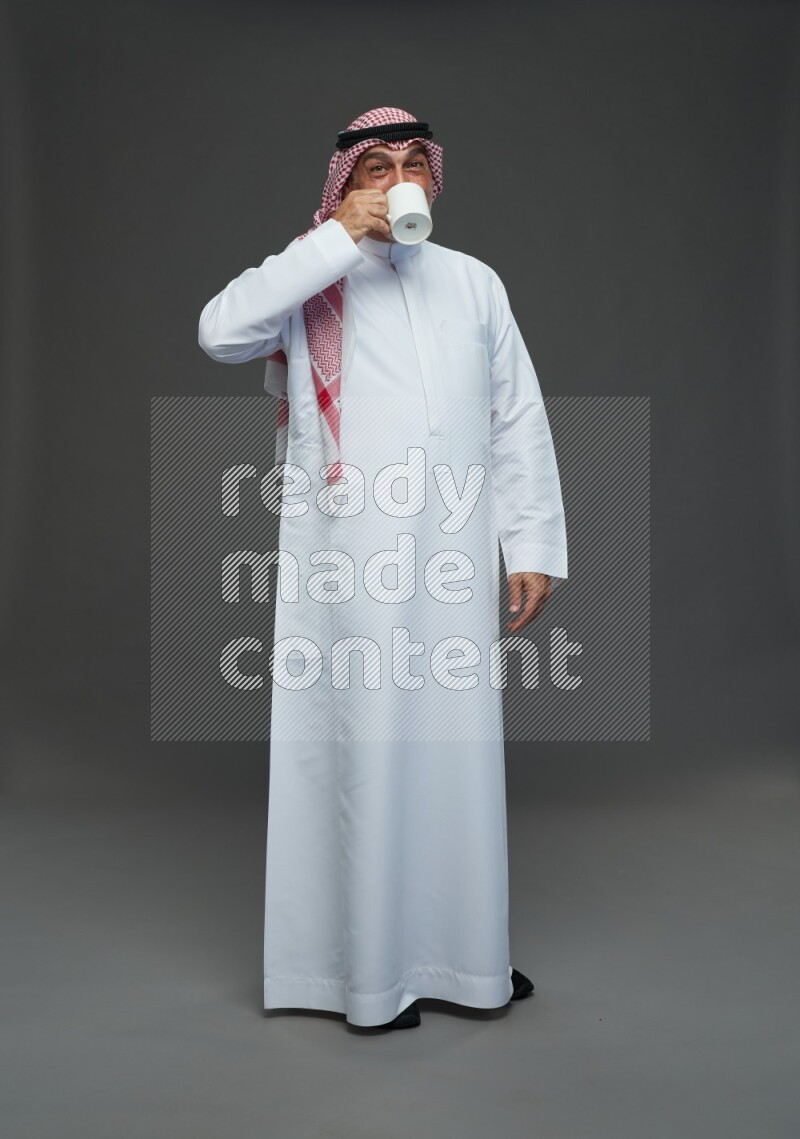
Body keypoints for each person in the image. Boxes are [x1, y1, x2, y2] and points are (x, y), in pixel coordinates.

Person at [198, 107, 568, 1031]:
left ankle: (467, 957)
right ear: (344, 183)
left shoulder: (473, 282)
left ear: (433, 180)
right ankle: (365, 977)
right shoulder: (310, 275)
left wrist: (528, 546)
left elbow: (515, 416)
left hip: (450, 554)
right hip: (348, 561)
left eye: (410, 164)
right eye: (373, 167)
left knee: (457, 756)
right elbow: (220, 332)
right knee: (364, 753)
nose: (395, 180)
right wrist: (335, 237)